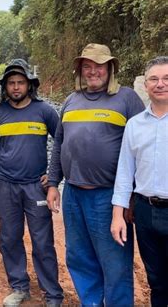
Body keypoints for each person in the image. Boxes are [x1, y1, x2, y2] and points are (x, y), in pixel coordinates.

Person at [46, 44, 145, 305]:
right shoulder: (70, 100)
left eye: (99, 66)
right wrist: (53, 183)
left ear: (110, 68)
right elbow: (59, 143)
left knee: (114, 261)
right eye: (87, 66)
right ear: (80, 70)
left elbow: (141, 146)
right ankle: (90, 302)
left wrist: (132, 196)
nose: (93, 72)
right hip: (73, 194)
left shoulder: (127, 99)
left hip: (109, 197)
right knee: (79, 257)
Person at [0, 59, 63, 307]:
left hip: (35, 186)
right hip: (7, 186)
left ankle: (52, 294)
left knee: (42, 241)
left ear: (29, 85)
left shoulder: (45, 111)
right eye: (11, 83)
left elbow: (61, 141)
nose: (16, 87)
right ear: (5, 87)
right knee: (9, 238)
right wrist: (8, 158)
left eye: (20, 83)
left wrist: (51, 176)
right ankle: (19, 287)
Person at [111, 56, 168, 307]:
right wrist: (117, 215)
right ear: (145, 85)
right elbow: (125, 171)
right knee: (155, 279)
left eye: (166, 78)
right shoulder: (134, 125)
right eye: (154, 79)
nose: (160, 84)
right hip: (145, 212)